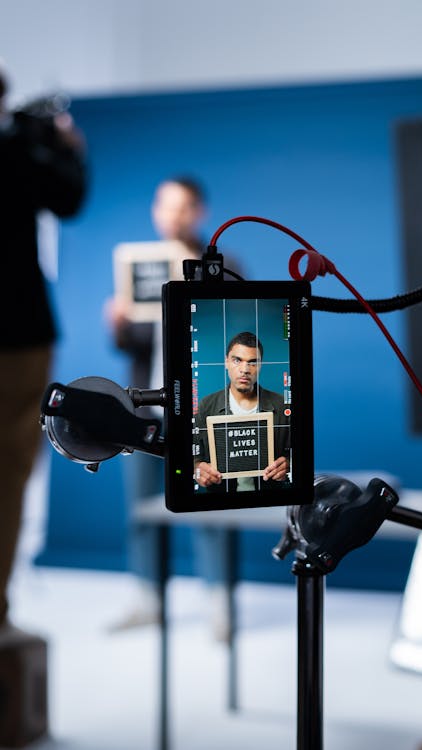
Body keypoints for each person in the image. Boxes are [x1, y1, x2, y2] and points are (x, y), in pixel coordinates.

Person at [105, 177, 240, 635]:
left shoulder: (223, 263)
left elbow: (236, 326)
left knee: (211, 505)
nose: (172, 216)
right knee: (140, 507)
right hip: (146, 408)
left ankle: (220, 605)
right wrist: (119, 322)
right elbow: (133, 345)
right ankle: (147, 598)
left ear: (198, 211)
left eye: (182, 207)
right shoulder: (139, 268)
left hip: (203, 407)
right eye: (164, 206)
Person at [0, 63, 87, 635]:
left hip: (20, 332)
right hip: (18, 331)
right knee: (8, 473)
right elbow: (69, 197)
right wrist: (68, 149)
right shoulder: (16, 153)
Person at [194, 331, 290, 491]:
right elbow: (194, 457)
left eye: (253, 362)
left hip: (269, 499)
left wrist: (289, 465)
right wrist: (198, 469)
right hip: (222, 504)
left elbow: (299, 454)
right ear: (226, 362)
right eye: (237, 360)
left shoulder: (283, 406)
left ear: (260, 365)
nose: (245, 369)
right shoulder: (206, 406)